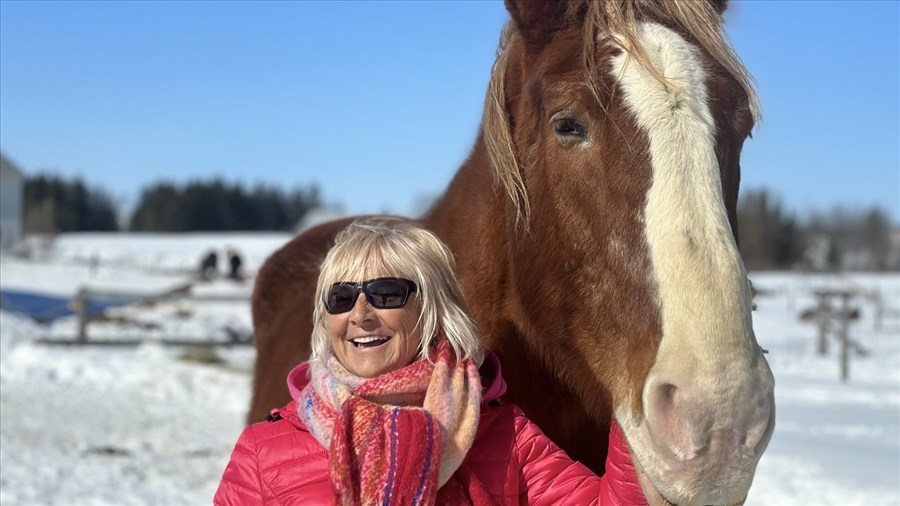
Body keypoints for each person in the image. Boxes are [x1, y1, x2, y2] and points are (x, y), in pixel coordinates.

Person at [214, 220, 647, 505]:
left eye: (386, 293)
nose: (360, 314)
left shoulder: (506, 438)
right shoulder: (263, 450)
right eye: (341, 298)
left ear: (432, 309)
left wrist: (634, 387)